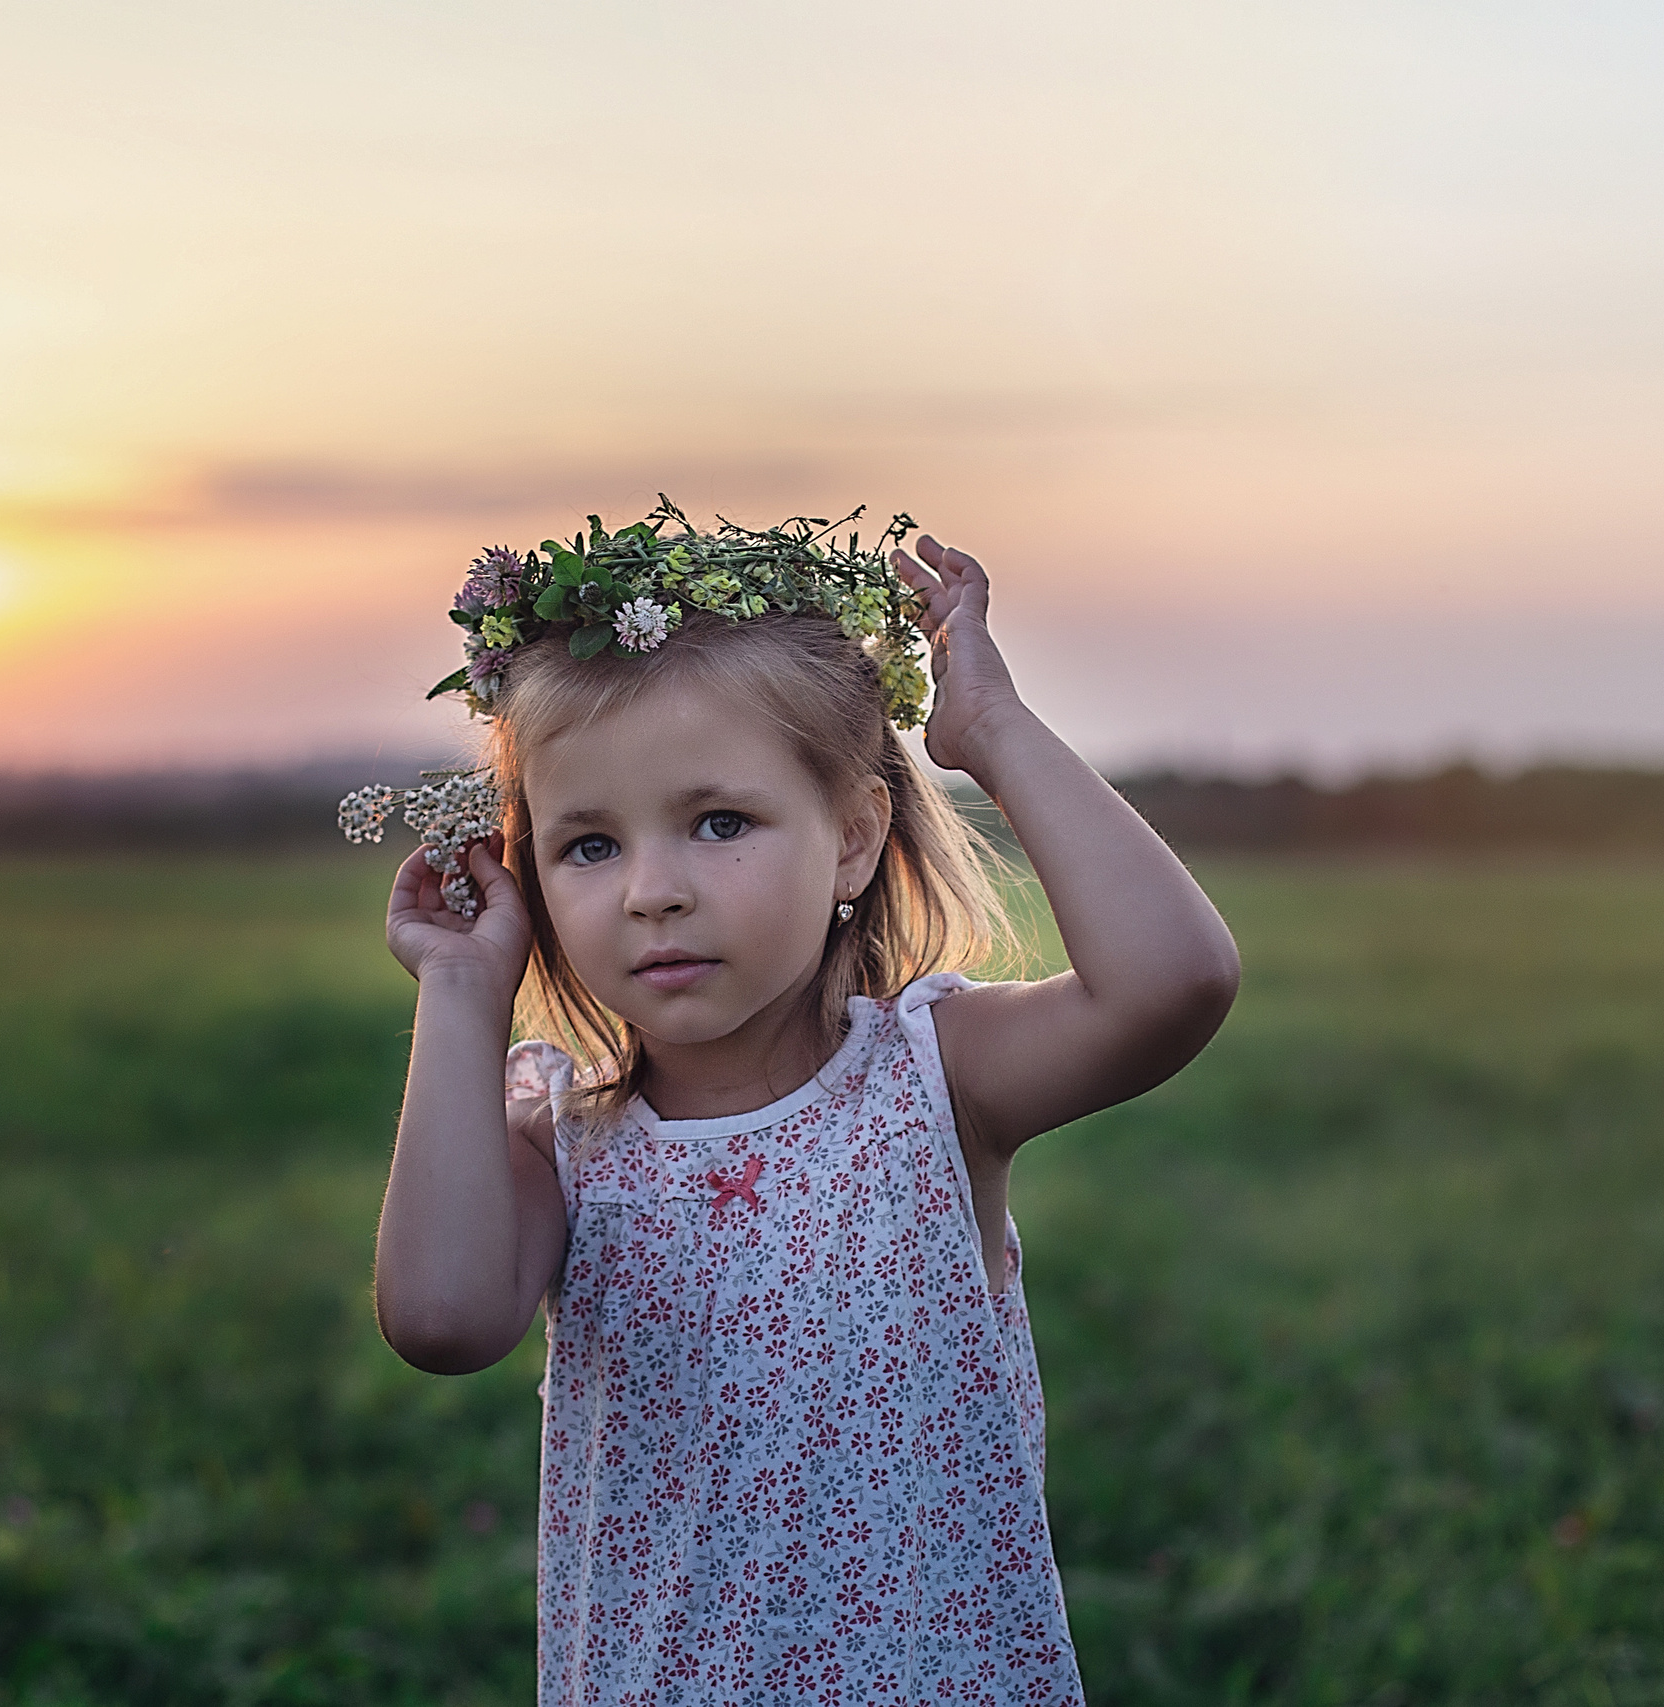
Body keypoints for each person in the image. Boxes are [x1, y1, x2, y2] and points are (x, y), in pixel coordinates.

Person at [367, 514, 1240, 1705]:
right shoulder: (559, 1140)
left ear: (853, 838)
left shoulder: (936, 1080)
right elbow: (439, 1319)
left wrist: (990, 732)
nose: (653, 892)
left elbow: (1171, 983)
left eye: (718, 823)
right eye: (587, 846)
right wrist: (467, 992)